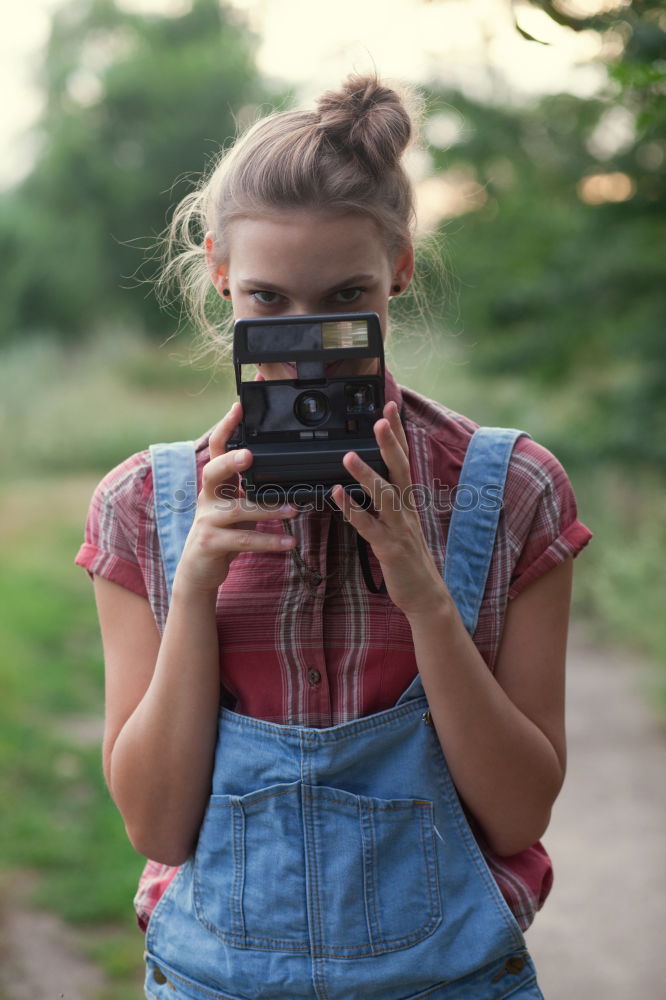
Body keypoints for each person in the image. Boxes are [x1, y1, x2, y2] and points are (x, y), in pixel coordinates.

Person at [75, 74, 592, 1000]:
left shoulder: (510, 490)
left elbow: (517, 814)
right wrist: (194, 586)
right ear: (218, 274)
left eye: (344, 298)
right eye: (268, 301)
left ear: (400, 268)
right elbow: (155, 829)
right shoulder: (141, 508)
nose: (304, 339)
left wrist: (423, 589)